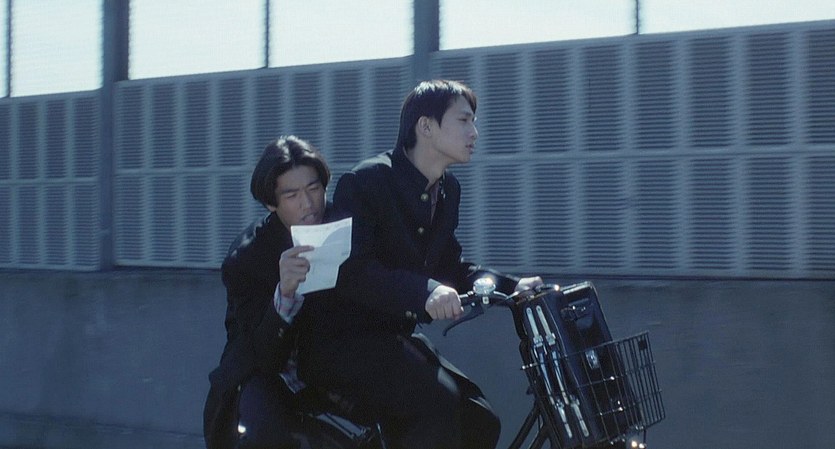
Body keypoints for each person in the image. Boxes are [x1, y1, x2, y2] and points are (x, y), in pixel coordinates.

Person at [296, 80, 543, 449]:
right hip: (340, 344)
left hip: (394, 340)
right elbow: (351, 271)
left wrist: (512, 286)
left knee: (479, 420)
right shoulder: (366, 181)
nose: (474, 133)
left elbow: (450, 267)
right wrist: (425, 291)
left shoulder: (447, 190)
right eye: (463, 120)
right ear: (426, 126)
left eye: (473, 122)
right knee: (437, 411)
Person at [203, 135, 341, 449]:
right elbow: (261, 353)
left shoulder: (343, 225)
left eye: (314, 188)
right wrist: (285, 295)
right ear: (271, 203)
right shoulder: (247, 257)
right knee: (265, 432)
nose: (308, 204)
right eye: (292, 195)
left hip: (329, 362)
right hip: (264, 369)